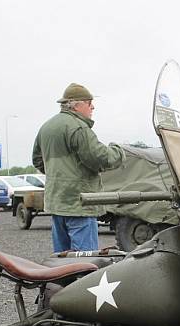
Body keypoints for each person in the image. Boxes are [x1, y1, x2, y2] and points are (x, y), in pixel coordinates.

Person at [32, 83, 124, 252]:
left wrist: (59, 175)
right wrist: (119, 152)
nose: (93, 107)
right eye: (89, 103)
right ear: (77, 104)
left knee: (61, 261)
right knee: (86, 260)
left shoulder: (46, 127)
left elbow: (37, 160)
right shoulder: (79, 127)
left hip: (57, 203)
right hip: (80, 204)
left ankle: (65, 280)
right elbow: (99, 158)